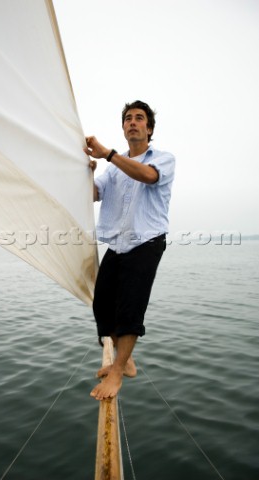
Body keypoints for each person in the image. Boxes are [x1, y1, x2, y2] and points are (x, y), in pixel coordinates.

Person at [84, 100, 175, 401]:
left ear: (149, 128)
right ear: (123, 127)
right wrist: (86, 171)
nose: (133, 122)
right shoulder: (114, 168)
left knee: (130, 307)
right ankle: (127, 361)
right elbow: (93, 194)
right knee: (102, 305)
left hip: (147, 241)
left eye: (139, 118)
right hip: (118, 244)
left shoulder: (163, 159)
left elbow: (147, 176)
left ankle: (118, 370)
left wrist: (107, 154)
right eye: (128, 118)